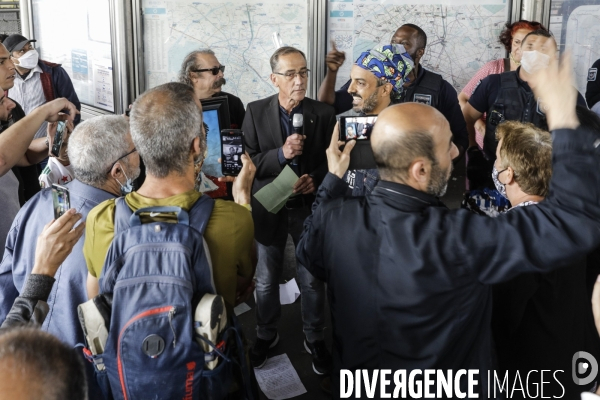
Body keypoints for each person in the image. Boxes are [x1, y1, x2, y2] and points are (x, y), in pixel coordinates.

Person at [297, 50, 600, 397]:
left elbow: (307, 252)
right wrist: (562, 116)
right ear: (420, 169)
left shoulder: (334, 219)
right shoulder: (458, 238)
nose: (457, 153)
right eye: (446, 148)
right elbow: (571, 223)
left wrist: (332, 181)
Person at [84, 82, 256, 311]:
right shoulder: (234, 220)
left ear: (139, 144)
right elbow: (241, 287)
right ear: (197, 146)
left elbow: (97, 300)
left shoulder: (101, 218)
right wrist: (243, 198)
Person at [0, 115, 137, 345]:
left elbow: (5, 290)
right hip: (83, 373)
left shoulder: (37, 203)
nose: (140, 156)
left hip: (21, 357)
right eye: (136, 150)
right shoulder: (124, 230)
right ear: (117, 171)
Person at [488, 120, 600, 399]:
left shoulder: (513, 234)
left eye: (497, 160)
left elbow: (501, 320)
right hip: (582, 367)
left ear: (508, 175)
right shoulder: (578, 220)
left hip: (534, 378)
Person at [243, 46, 335, 373]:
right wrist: (281, 154)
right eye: (291, 74)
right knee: (266, 280)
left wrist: (317, 180)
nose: (299, 80)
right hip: (270, 205)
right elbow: (249, 163)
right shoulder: (254, 112)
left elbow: (332, 162)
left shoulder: (323, 114)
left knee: (311, 280)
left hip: (308, 208)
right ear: (274, 79)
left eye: (304, 72)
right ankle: (265, 333)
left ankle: (314, 337)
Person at [462, 29, 587, 189]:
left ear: (553, 56)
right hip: (494, 173)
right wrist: (473, 152)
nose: (536, 52)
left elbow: (584, 134)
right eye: (530, 46)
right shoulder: (493, 84)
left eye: (544, 49)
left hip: (543, 180)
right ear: (520, 51)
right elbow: (466, 118)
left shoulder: (566, 93)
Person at [318, 23, 468, 152]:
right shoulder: (373, 79)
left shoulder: (439, 88)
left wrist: (440, 162)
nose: (395, 48)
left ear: (420, 52)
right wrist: (332, 71)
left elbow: (461, 138)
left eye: (404, 44)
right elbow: (330, 104)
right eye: (393, 42)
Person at [0, 95, 78, 259]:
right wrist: (44, 111)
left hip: (16, 243)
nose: (11, 104)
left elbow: (25, 155)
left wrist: (54, 143)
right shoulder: (54, 185)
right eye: (1, 101)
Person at [338, 44, 413, 196]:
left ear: (385, 89)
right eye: (351, 80)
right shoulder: (354, 125)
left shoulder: (400, 141)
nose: (350, 89)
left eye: (360, 83)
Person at [458, 20, 545, 149]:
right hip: (489, 150)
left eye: (529, 43)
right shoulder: (493, 70)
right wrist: (480, 126)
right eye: (517, 42)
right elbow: (462, 99)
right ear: (510, 42)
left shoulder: (545, 79)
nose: (521, 47)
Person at [2, 34, 81, 140]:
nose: (29, 53)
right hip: (18, 148)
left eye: (30, 47)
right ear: (10, 58)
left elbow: (71, 110)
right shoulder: (5, 81)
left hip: (46, 147)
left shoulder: (53, 73)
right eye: (22, 51)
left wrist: (58, 140)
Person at [178, 49, 245, 128]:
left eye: (221, 69)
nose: (221, 74)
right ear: (193, 76)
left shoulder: (233, 103)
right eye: (214, 70)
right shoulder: (175, 106)